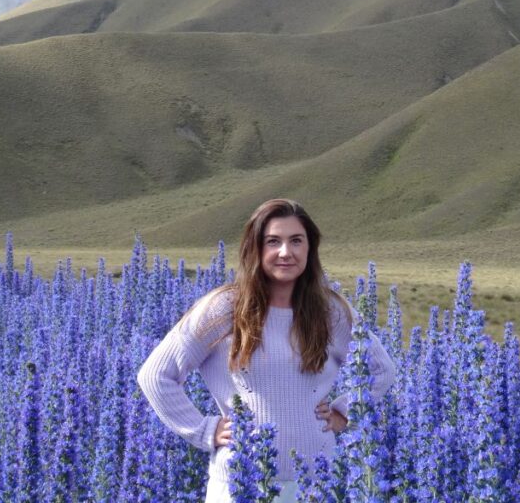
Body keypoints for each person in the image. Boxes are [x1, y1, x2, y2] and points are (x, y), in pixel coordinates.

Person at [137, 198, 397, 502]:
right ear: (255, 248)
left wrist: (344, 412)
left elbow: (381, 370)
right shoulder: (223, 308)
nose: (286, 252)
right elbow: (155, 375)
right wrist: (203, 429)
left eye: (296, 241)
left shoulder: (331, 311)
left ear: (309, 249)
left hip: (315, 484)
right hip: (239, 483)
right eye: (273, 241)